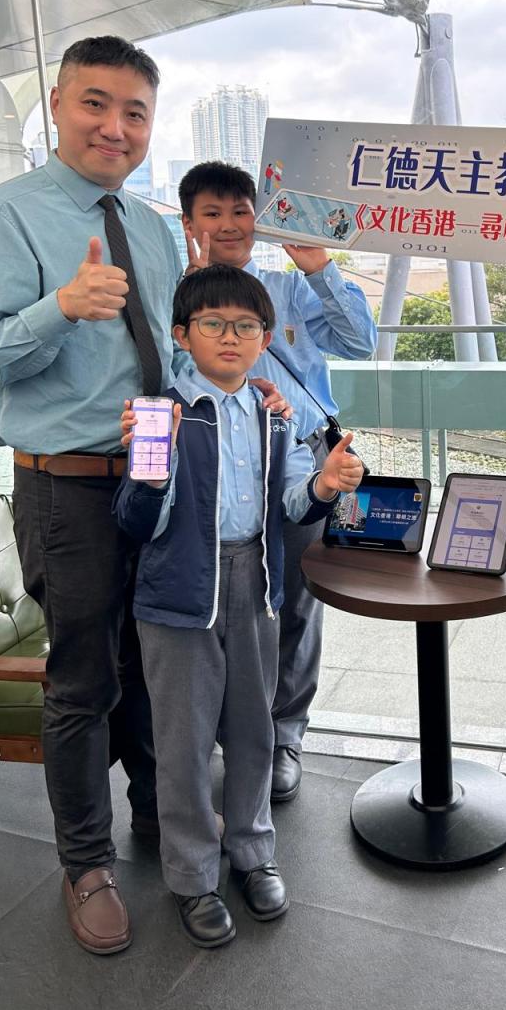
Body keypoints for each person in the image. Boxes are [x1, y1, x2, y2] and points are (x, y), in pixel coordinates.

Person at [0, 35, 288, 955]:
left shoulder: (147, 223)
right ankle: (87, 863)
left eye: (135, 112)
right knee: (86, 681)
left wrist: (236, 390)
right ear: (59, 107)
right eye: (95, 104)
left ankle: (162, 819)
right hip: (69, 489)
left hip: (164, 479)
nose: (115, 126)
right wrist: (59, 307)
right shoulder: (2, 215)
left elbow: (174, 356)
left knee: (157, 665)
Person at [114, 265, 364, 948]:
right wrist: (150, 471)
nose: (231, 336)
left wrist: (324, 484)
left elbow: (291, 506)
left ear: (264, 338)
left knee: (254, 729)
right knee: (185, 743)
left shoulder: (271, 413)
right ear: (182, 335)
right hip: (178, 595)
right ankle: (193, 876)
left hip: (256, 583)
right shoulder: (161, 414)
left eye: (246, 325)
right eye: (214, 324)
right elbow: (135, 522)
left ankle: (254, 851)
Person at [179, 161, 377, 803]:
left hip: (301, 459)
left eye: (241, 211)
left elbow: (359, 341)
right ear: (189, 223)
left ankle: (284, 736)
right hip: (210, 464)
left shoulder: (289, 289)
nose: (229, 225)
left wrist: (320, 267)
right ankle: (231, 735)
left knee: (295, 601)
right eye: (212, 213)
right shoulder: (178, 299)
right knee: (217, 605)